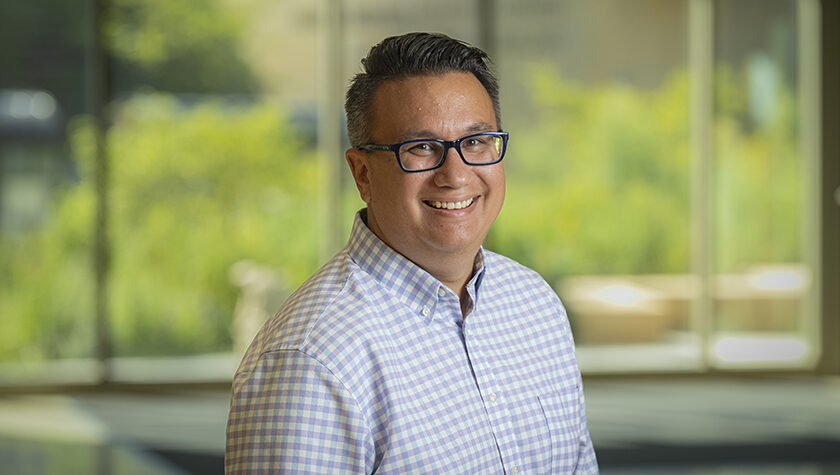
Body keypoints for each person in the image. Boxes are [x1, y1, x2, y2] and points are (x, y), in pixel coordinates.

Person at [225, 32, 598, 474]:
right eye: (421, 148)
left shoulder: (533, 304)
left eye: (476, 142)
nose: (456, 175)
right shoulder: (312, 359)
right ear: (362, 173)